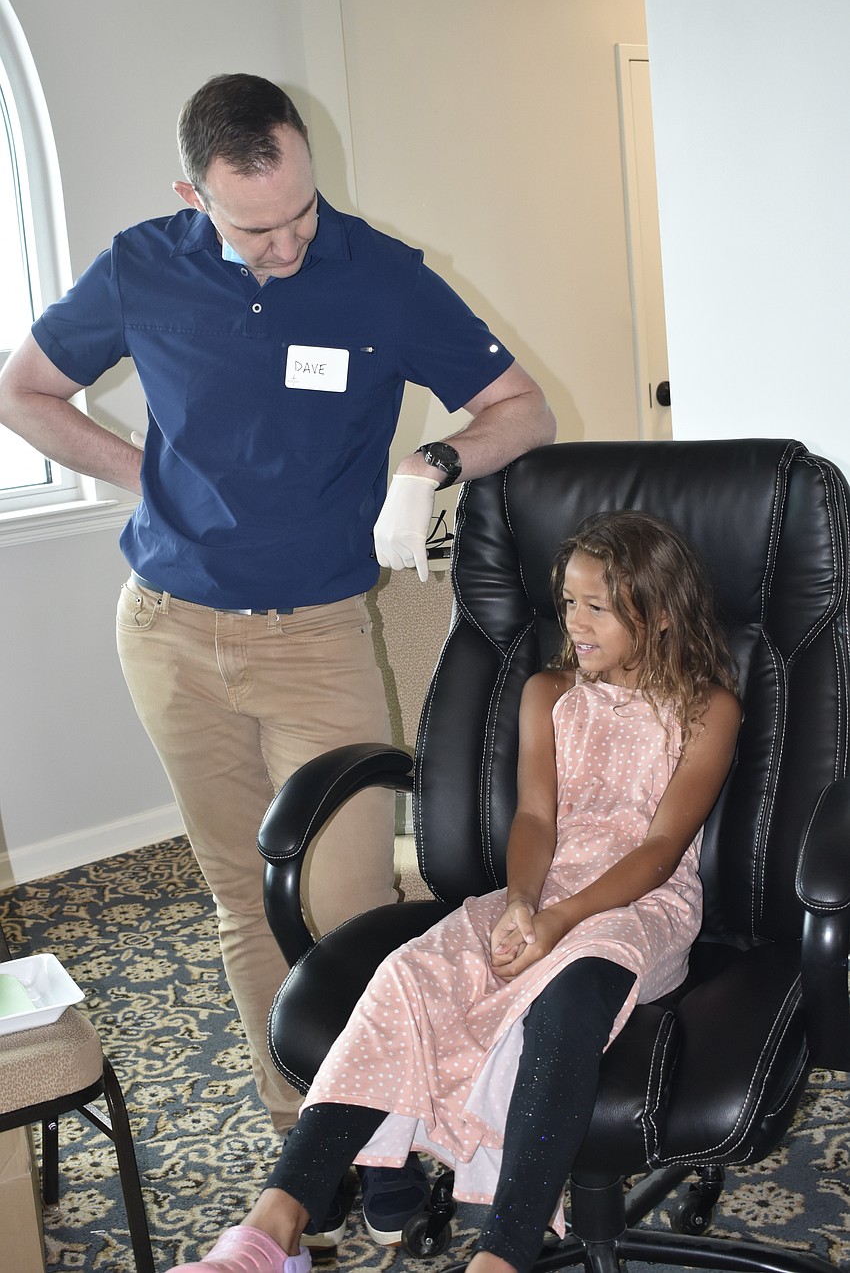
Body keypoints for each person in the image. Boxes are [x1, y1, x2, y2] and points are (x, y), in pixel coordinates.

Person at [0, 68, 555, 1178]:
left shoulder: (385, 277)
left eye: (301, 212)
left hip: (315, 639)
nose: (288, 245)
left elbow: (522, 411)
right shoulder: (140, 267)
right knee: (240, 893)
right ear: (192, 195)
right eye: (256, 228)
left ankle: (390, 1116)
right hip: (166, 632)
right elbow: (24, 390)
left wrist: (428, 461)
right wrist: (149, 480)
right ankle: (299, 1122)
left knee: (344, 902)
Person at [164, 509, 742, 1273]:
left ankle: (502, 1253)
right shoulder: (548, 692)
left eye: (597, 605)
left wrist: (563, 918)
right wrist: (522, 904)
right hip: (543, 887)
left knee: (568, 996)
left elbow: (664, 847)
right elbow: (536, 815)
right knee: (410, 975)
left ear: (660, 612)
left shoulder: (706, 709)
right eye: (568, 602)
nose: (574, 620)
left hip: (638, 905)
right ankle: (272, 1228)